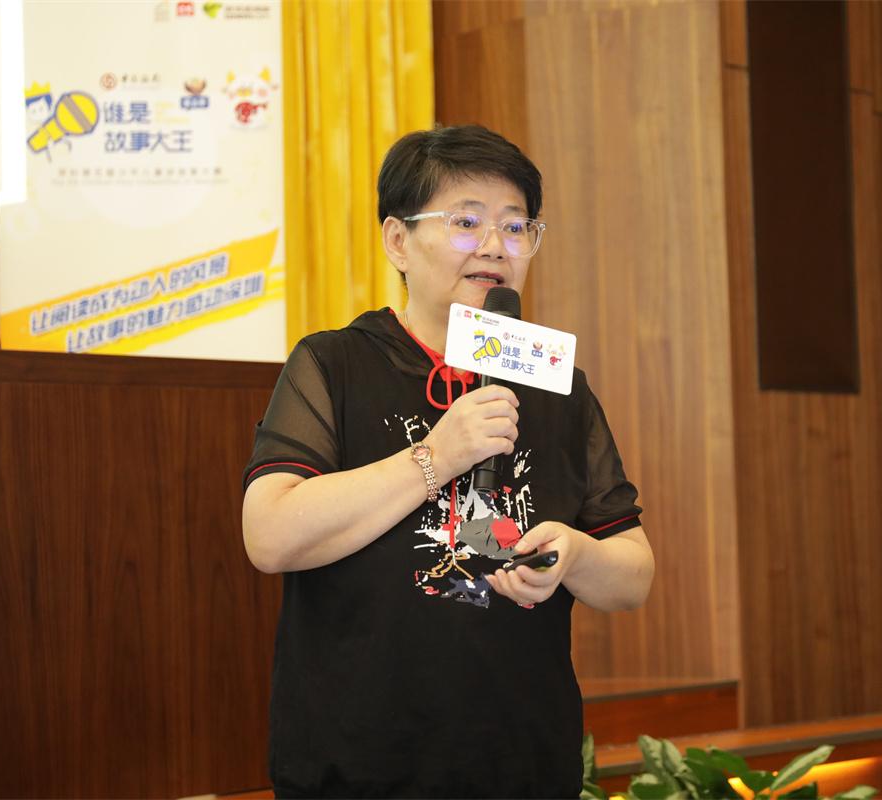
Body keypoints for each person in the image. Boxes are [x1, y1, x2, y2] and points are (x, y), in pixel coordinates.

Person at [242, 124, 655, 798]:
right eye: (466, 222)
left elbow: (633, 575)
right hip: (360, 767)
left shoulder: (557, 386)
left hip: (523, 764)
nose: (495, 246)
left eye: (516, 227)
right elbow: (269, 535)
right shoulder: (334, 364)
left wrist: (575, 556)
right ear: (398, 241)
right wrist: (436, 455)